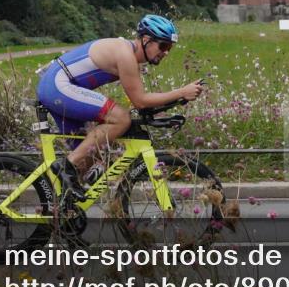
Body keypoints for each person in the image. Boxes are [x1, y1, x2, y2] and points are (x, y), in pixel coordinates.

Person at [36, 14, 205, 200]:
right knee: (120, 118)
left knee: (88, 160)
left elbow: (142, 102)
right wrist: (181, 92)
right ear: (146, 40)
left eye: (169, 48)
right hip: (57, 86)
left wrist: (171, 106)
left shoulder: (130, 56)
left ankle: (62, 215)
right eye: (163, 46)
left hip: (60, 87)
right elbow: (140, 100)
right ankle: (65, 166)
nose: (166, 52)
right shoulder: (125, 55)